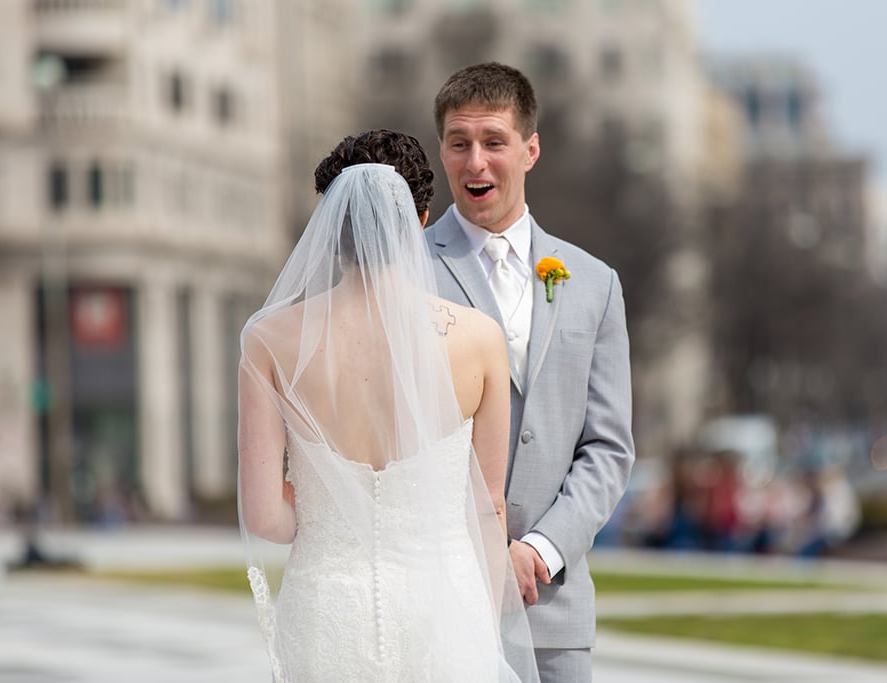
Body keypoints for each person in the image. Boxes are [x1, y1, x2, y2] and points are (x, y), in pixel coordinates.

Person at [238, 129, 539, 682]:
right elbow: (487, 505)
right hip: (444, 609)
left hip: (327, 609)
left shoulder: (269, 342)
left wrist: (330, 508)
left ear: (329, 228)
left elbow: (266, 519)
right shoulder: (478, 338)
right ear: (421, 219)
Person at [426, 63, 635, 682]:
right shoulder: (400, 271)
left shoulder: (593, 283)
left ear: (530, 148)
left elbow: (609, 448)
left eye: (493, 141)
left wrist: (539, 551)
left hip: (555, 609)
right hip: (441, 601)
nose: (475, 163)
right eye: (459, 144)